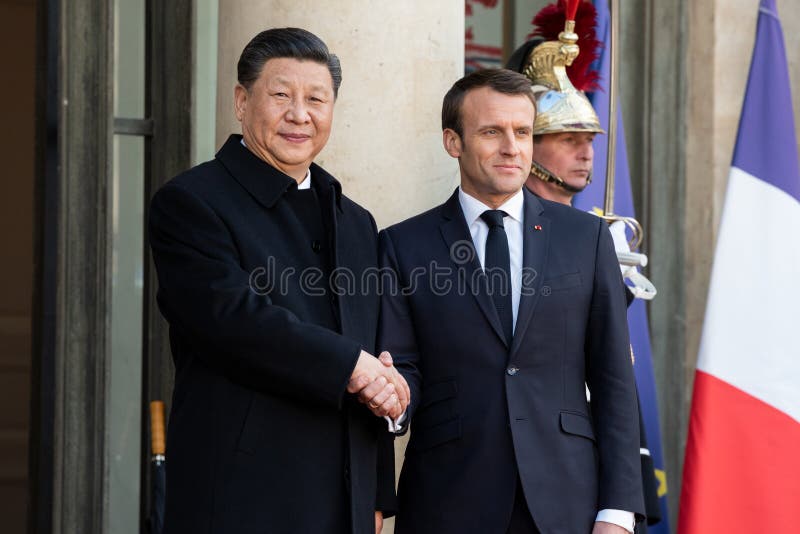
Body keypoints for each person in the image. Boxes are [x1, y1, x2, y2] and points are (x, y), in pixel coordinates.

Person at [148, 27, 408, 534]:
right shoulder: (191, 202)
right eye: (281, 95)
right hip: (241, 496)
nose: (299, 114)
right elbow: (233, 321)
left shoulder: (356, 221)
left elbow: (371, 348)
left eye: (316, 99)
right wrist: (352, 368)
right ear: (242, 101)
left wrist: (376, 495)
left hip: (345, 505)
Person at [378, 68, 643, 534]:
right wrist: (394, 399)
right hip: (447, 503)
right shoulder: (402, 245)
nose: (511, 147)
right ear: (453, 141)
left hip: (569, 506)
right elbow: (403, 368)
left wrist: (618, 512)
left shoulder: (587, 238)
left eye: (522, 132)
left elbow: (613, 381)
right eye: (491, 131)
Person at [507, 4, 663, 530]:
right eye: (568, 140)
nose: (586, 154)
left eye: (589, 141)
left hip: (590, 464)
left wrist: (619, 506)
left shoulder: (600, 232)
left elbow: (614, 374)